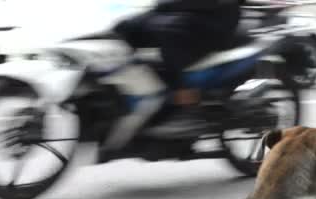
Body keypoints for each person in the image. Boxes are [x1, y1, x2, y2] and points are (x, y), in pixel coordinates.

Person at [100, 0, 243, 158]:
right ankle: (144, 104)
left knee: (169, 32)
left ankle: (187, 106)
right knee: (125, 28)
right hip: (178, 10)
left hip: (215, 15)